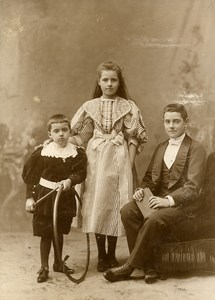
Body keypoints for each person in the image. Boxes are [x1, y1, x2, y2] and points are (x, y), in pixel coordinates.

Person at [103, 103, 206, 283]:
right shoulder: (161, 147)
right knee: (127, 211)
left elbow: (193, 187)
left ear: (186, 122)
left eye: (176, 121)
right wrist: (140, 191)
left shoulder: (196, 148)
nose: (171, 126)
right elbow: (149, 178)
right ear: (163, 123)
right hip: (158, 199)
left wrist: (168, 200)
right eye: (167, 122)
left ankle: (130, 266)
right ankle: (149, 267)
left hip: (183, 205)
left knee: (153, 219)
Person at [70, 61, 148, 272]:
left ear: (119, 82)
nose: (109, 84)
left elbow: (134, 138)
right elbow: (83, 136)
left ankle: (112, 254)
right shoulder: (90, 106)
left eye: (114, 80)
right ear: (99, 82)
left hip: (119, 158)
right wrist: (59, 143)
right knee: (98, 203)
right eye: (105, 79)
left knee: (115, 204)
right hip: (95, 160)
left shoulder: (128, 106)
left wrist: (128, 164)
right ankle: (102, 255)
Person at [22, 114, 87, 283]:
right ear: (49, 134)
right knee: (46, 232)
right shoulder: (42, 152)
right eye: (56, 131)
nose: (61, 134)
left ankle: (58, 263)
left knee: (58, 231)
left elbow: (81, 173)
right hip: (45, 196)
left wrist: (70, 180)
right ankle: (44, 266)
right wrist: (29, 198)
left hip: (64, 197)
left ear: (70, 132)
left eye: (64, 130)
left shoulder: (76, 153)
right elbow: (31, 176)